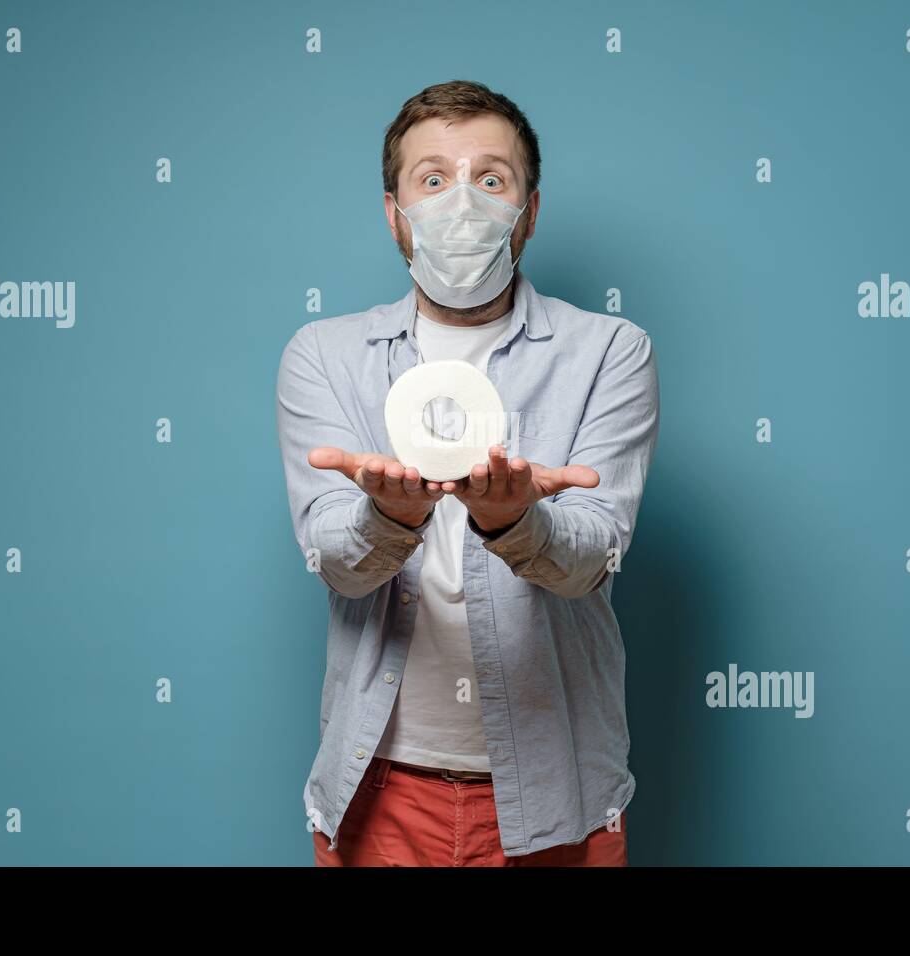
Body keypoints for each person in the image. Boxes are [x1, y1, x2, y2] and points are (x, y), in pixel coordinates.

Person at [275, 79, 659, 866]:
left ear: (530, 210)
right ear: (394, 213)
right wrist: (389, 518)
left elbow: (593, 556)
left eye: (491, 178)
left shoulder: (610, 352)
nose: (462, 203)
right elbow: (336, 565)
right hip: (380, 795)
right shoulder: (325, 356)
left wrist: (516, 521)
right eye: (433, 178)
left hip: (560, 795)